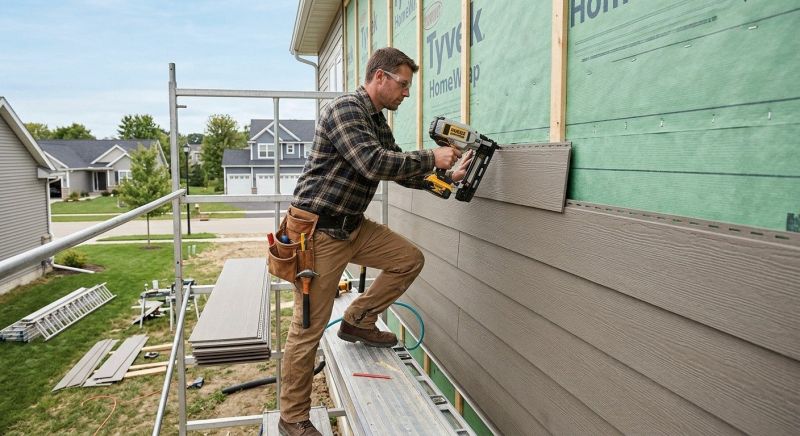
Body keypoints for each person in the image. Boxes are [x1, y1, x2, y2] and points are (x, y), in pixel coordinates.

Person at [277, 47, 472, 436]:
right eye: (403, 84)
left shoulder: (377, 120)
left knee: (408, 259)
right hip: (318, 231)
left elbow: (398, 167)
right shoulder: (346, 110)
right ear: (379, 77)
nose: (406, 93)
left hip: (353, 225)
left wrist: (446, 179)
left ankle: (357, 320)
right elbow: (372, 162)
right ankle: (293, 419)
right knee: (307, 330)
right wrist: (433, 158)